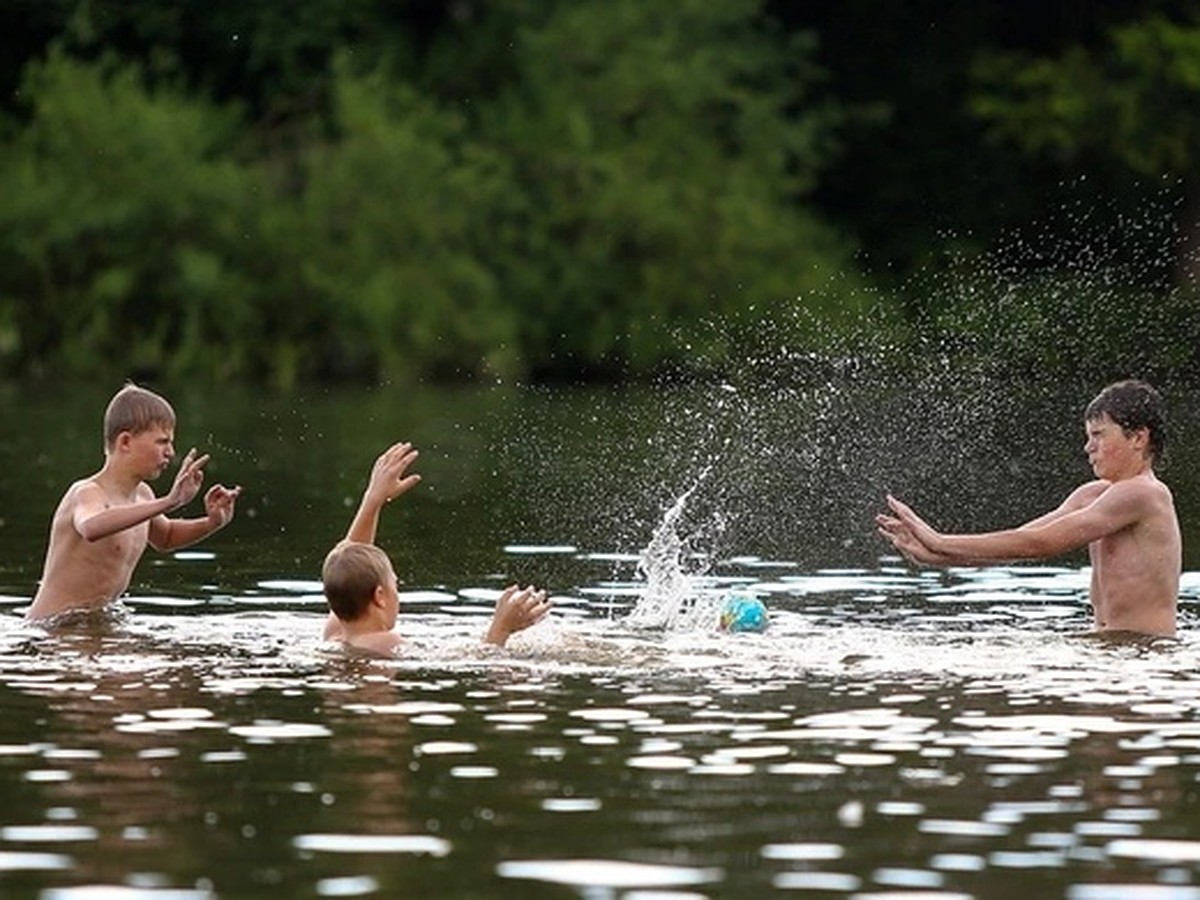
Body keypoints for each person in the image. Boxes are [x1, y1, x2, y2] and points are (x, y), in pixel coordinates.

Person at [876, 379, 1181, 638]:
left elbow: (1041, 544)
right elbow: (1023, 539)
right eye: (1088, 437)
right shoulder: (1093, 494)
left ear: (1139, 438)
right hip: (1110, 648)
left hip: (1145, 652)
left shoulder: (1144, 493)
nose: (1088, 447)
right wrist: (940, 557)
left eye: (1099, 435)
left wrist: (940, 540)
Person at [28, 383, 242, 621]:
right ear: (126, 442)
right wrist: (169, 501)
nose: (171, 452)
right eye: (162, 442)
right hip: (53, 630)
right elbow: (91, 527)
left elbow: (167, 536)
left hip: (95, 625)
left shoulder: (143, 495)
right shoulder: (88, 492)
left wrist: (211, 523)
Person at [321, 441, 551, 656]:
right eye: (395, 585)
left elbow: (350, 566)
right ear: (380, 596)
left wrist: (373, 501)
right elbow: (477, 664)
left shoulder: (335, 634)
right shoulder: (388, 643)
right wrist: (501, 629)